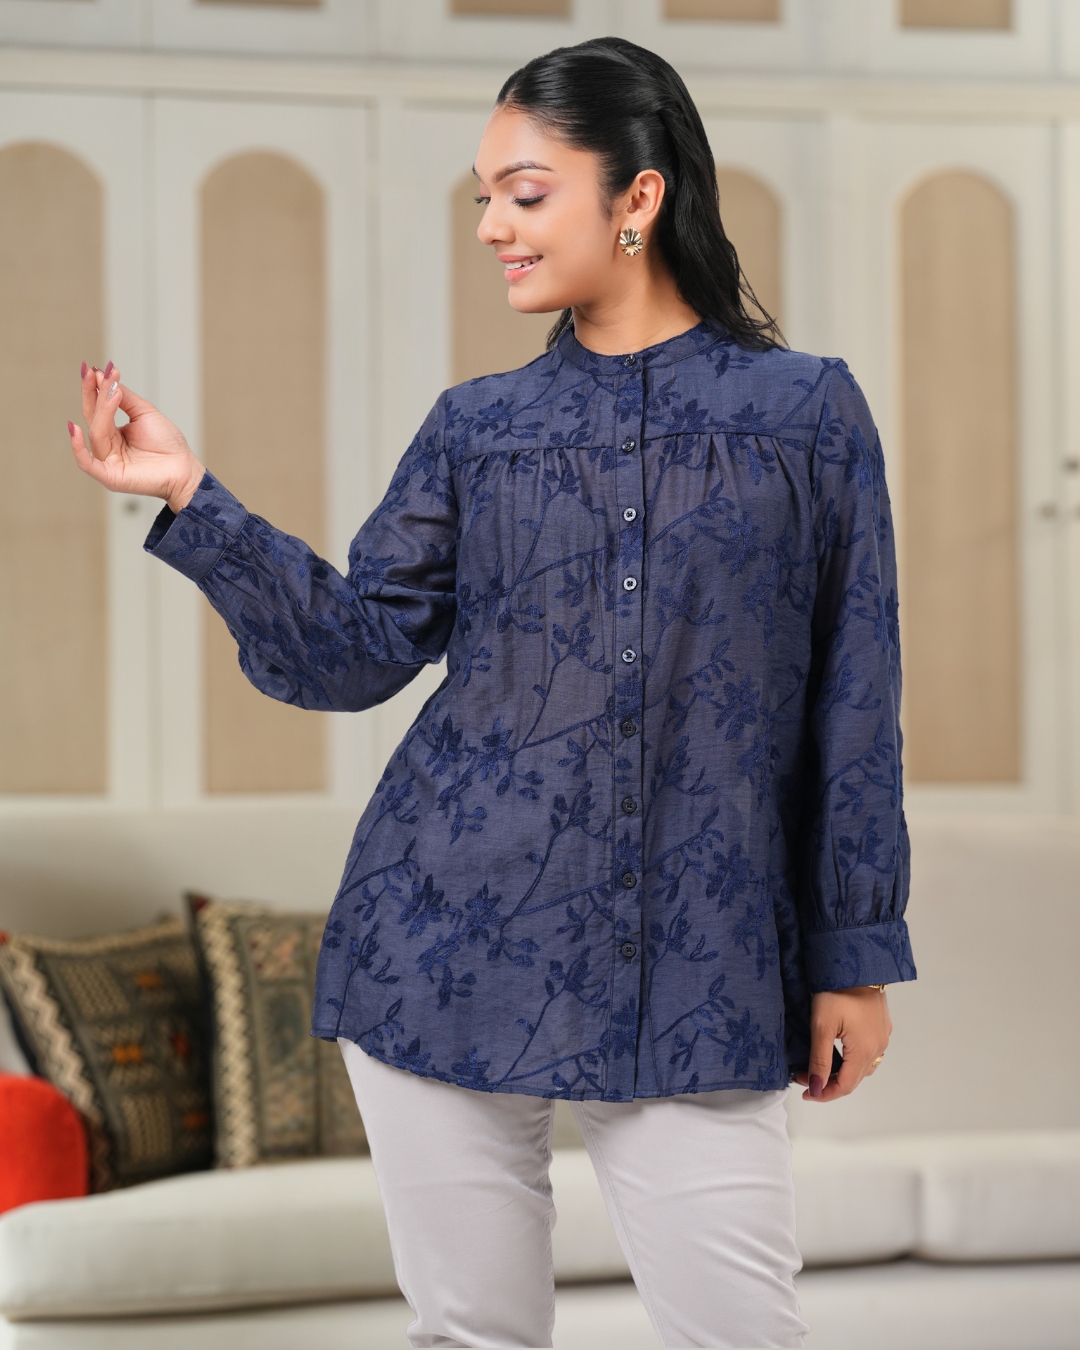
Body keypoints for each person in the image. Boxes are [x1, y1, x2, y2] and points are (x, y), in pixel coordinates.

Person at [69, 36, 914, 1350]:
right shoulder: (477, 430)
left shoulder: (808, 416)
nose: (490, 229)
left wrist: (855, 955)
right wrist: (191, 495)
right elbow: (352, 652)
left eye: (524, 194)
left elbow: (856, 696)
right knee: (474, 1336)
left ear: (638, 197)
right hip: (441, 946)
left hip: (700, 964)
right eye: (483, 200)